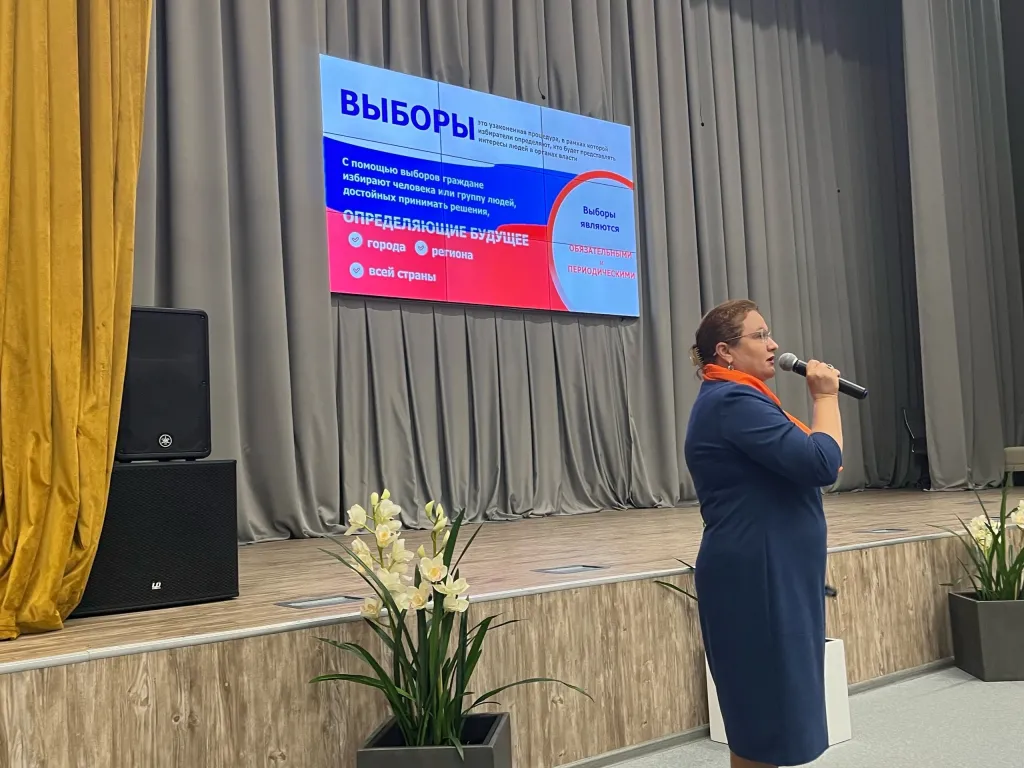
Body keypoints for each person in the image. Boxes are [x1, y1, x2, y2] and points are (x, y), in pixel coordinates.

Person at [684, 299, 843, 768]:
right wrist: (825, 398)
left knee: (770, 721)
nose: (773, 344)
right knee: (764, 723)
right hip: (759, 580)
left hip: (774, 574)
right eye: (760, 335)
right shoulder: (732, 402)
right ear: (725, 351)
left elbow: (815, 460)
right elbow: (822, 462)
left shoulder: (740, 398)